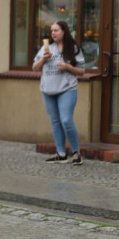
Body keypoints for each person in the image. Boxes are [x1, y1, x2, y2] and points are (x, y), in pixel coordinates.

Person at [32, 20, 86, 164]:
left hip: (66, 89)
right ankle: (61, 153)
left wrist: (68, 67)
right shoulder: (47, 48)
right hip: (47, 90)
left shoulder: (73, 48)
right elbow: (35, 68)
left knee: (66, 120)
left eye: (56, 30)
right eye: (51, 31)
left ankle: (76, 152)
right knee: (55, 122)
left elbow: (81, 71)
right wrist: (43, 59)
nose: (53, 33)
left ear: (64, 31)